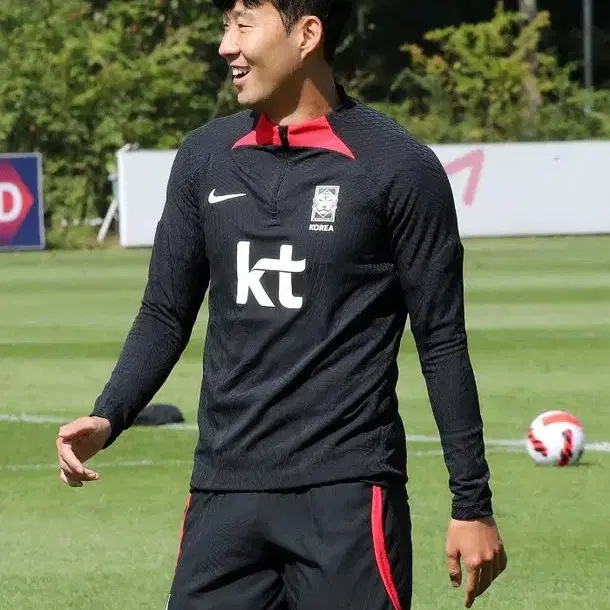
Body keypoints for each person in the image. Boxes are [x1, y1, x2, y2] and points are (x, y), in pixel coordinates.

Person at [55, 1, 507, 608]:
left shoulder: (398, 168)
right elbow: (165, 312)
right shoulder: (203, 158)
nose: (226, 46)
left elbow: (442, 340)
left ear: (306, 35)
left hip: (346, 496)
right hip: (223, 493)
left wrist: (470, 503)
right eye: (225, 27)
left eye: (243, 25)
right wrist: (109, 415)